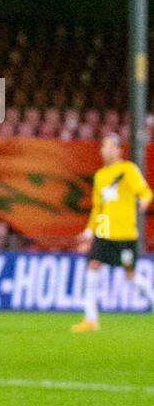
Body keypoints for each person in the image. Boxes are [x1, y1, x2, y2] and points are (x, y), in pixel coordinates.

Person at [72, 132, 153, 332]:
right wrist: (90, 231)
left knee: (131, 276)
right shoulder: (100, 176)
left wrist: (143, 201)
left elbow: (145, 191)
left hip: (125, 235)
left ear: (118, 150)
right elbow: (97, 208)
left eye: (109, 146)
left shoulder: (127, 170)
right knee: (92, 266)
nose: (104, 150)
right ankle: (91, 319)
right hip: (104, 232)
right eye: (103, 146)